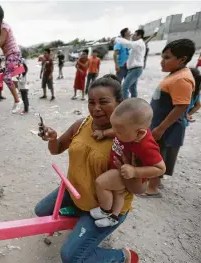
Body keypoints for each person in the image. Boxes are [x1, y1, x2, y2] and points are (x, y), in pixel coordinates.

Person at [36, 74, 141, 263]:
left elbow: (139, 189)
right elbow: (57, 148)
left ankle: (123, 257)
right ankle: (81, 216)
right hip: (74, 191)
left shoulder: (128, 140)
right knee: (41, 211)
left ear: (120, 102)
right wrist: (52, 138)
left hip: (105, 208)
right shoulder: (82, 124)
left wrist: (130, 172)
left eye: (103, 102)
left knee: (71, 257)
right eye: (91, 102)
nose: (96, 108)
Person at [90, 98, 166, 228]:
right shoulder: (129, 130)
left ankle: (105, 210)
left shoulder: (146, 146)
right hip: (121, 168)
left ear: (140, 133)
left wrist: (135, 171)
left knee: (101, 183)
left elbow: (160, 168)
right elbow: (115, 130)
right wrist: (104, 133)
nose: (115, 132)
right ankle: (113, 217)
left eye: (119, 131)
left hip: (126, 172)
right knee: (118, 193)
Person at [143, 39, 196, 198]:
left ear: (182, 59)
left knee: (158, 155)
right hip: (160, 124)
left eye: (167, 57)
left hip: (166, 127)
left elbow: (180, 107)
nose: (162, 61)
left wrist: (161, 128)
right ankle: (155, 182)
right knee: (158, 152)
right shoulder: (175, 74)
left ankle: (152, 188)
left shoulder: (182, 79)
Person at [115, 29, 146, 99]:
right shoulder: (136, 44)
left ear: (139, 36)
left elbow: (128, 44)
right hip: (132, 69)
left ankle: (126, 104)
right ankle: (133, 104)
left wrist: (117, 39)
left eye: (134, 35)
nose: (133, 36)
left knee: (124, 87)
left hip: (136, 69)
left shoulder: (139, 43)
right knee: (132, 88)